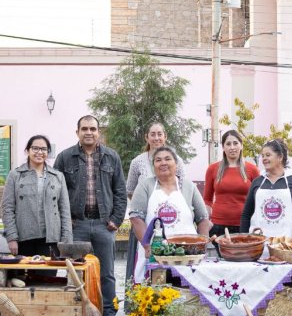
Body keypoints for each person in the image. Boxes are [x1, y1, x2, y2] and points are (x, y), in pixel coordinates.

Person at [54, 115, 127, 316]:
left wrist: (116, 219)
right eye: (84, 129)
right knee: (76, 272)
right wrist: (66, 220)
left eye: (92, 129)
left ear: (98, 132)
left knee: (107, 273)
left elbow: (120, 190)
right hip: (77, 225)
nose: (89, 132)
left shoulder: (112, 157)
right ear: (77, 132)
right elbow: (55, 191)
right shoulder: (64, 157)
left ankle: (109, 311)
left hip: (105, 224)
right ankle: (78, 310)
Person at [129, 147, 211, 283]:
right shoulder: (145, 186)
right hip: (155, 255)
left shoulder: (188, 186)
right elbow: (136, 218)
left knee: (187, 294)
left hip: (186, 255)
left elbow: (203, 219)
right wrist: (148, 247)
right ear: (153, 165)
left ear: (176, 163)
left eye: (168, 159)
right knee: (154, 298)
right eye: (158, 160)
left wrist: (202, 245)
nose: (163, 163)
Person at [124, 122, 186, 283]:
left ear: (165, 137)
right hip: (143, 225)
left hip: (173, 225)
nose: (156, 137)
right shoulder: (137, 162)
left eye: (160, 134)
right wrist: (147, 207)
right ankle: (137, 302)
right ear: (147, 137)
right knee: (139, 265)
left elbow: (183, 189)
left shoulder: (177, 160)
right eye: (153, 134)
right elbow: (130, 190)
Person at [2, 135, 72, 257]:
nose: (39, 152)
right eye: (35, 148)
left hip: (51, 239)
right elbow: (7, 208)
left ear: (48, 152)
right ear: (27, 151)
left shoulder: (57, 176)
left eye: (44, 149)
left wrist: (66, 240)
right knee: (24, 276)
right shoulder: (15, 175)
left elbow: (64, 210)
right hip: (24, 239)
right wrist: (11, 237)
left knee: (47, 276)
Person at [240, 139, 292, 238]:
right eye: (262, 156)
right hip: (258, 244)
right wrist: (244, 239)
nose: (264, 159)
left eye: (268, 155)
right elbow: (246, 214)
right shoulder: (257, 182)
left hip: (288, 246)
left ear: (280, 157)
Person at [203, 130, 260, 239]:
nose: (232, 147)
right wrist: (206, 224)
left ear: (241, 145)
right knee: (221, 256)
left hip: (244, 225)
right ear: (223, 147)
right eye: (228, 144)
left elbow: (258, 200)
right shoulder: (212, 169)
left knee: (242, 256)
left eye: (235, 143)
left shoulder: (253, 170)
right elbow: (207, 200)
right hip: (218, 226)